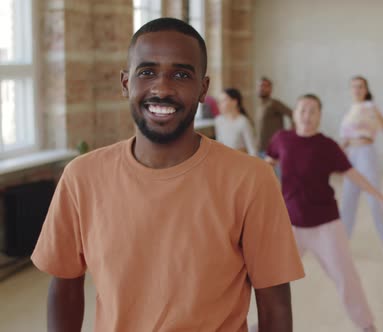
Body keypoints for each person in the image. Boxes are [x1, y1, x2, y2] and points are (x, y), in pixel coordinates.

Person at [31, 18, 304, 332]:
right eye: (147, 72)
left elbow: (275, 305)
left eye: (181, 74)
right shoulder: (82, 177)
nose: (162, 87)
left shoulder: (251, 179)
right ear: (125, 84)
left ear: (203, 89)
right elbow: (64, 286)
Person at [266, 94, 383, 332]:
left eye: (312, 111)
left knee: (346, 278)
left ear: (320, 116)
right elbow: (265, 165)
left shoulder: (327, 146)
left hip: (326, 225)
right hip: (290, 225)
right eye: (302, 110)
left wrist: (379, 197)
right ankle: (268, 325)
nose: (307, 116)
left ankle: (367, 326)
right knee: (271, 279)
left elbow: (353, 174)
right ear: (295, 113)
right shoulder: (281, 139)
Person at [339, 76, 383, 259]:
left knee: (374, 199)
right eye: (354, 87)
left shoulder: (371, 107)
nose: (357, 90)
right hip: (351, 155)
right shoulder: (350, 111)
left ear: (366, 89)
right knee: (348, 201)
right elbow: (345, 140)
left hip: (366, 153)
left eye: (360, 87)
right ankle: (343, 244)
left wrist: (377, 114)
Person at [257, 76, 293, 155]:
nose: (261, 88)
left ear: (270, 89)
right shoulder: (260, 106)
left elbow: (293, 114)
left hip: (274, 150)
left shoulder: (274, 103)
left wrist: (289, 135)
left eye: (265, 86)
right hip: (261, 149)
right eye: (260, 86)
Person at [215, 88, 257, 156]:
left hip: (241, 162)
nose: (220, 104)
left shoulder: (243, 122)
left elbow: (252, 149)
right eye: (219, 101)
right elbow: (219, 145)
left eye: (223, 100)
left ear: (234, 102)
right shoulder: (218, 120)